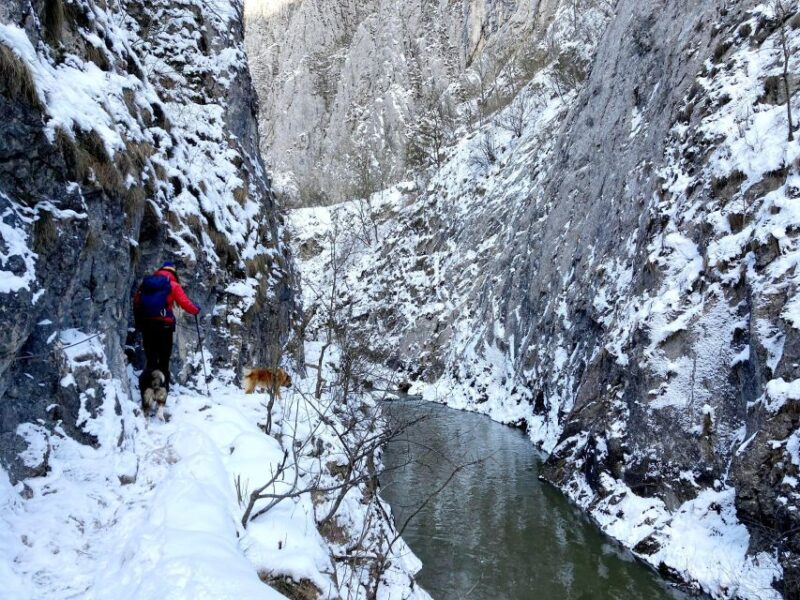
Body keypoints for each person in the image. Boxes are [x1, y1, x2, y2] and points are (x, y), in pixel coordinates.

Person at [133, 261, 200, 393]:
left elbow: (136, 301)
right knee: (163, 360)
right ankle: (162, 393)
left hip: (148, 325)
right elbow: (184, 302)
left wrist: (140, 323)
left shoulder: (147, 283)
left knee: (151, 360)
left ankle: (147, 392)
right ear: (173, 271)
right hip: (164, 327)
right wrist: (196, 310)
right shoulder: (173, 284)